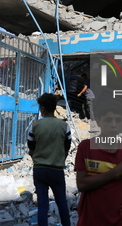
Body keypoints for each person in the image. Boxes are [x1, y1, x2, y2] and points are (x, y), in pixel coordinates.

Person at [27, 93, 71, 226]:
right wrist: (59, 158)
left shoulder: (34, 126)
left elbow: (31, 148)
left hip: (39, 170)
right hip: (57, 170)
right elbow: (67, 147)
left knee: (42, 204)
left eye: (40, 106)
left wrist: (37, 158)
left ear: (43, 108)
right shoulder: (64, 126)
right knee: (62, 202)